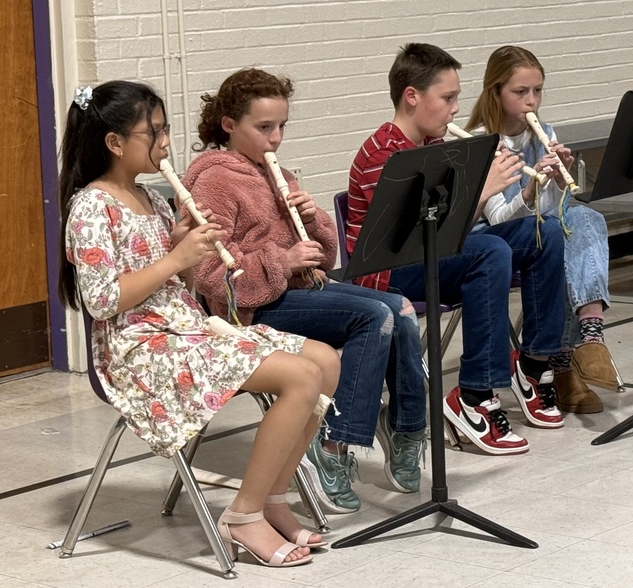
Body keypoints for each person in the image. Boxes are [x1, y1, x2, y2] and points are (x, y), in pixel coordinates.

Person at [57, 80, 340, 568]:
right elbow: (103, 301)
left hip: (183, 328)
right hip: (136, 349)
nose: (167, 143)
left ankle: (272, 499)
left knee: (324, 359)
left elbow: (179, 285)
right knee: (299, 376)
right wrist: (177, 258)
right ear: (115, 143)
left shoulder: (153, 199)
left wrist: (186, 248)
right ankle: (243, 515)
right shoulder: (90, 207)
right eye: (156, 133)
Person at [183, 68, 428, 514]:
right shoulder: (214, 182)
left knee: (402, 307)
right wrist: (282, 261)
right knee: (377, 315)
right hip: (252, 311)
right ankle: (331, 444)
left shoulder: (280, 175)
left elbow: (326, 258)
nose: (275, 139)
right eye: (263, 128)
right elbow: (209, 275)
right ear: (228, 125)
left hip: (300, 294)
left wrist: (312, 217)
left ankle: (408, 426)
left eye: (281, 127)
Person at [347, 43, 567, 456]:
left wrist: (528, 184)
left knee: (546, 232)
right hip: (389, 270)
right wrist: (481, 192)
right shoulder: (385, 153)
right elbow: (414, 240)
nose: (454, 109)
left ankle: (535, 364)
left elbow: (447, 234)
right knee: (489, 253)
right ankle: (474, 394)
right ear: (412, 96)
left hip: (432, 255)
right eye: (447, 98)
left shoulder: (435, 144)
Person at [466, 45, 619, 414]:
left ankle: (590, 335)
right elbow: (499, 216)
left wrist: (556, 180)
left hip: (536, 232)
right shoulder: (479, 142)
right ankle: (560, 363)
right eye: (520, 92)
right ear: (496, 92)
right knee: (556, 234)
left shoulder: (543, 133)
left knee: (583, 217)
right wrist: (531, 190)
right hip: (491, 239)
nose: (531, 101)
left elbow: (550, 211)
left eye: (537, 91)